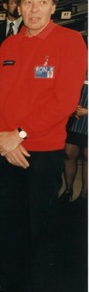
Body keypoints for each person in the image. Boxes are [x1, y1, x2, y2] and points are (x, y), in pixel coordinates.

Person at [0, 0, 87, 292]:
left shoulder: (70, 42)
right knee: (5, 222)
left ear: (54, 6)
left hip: (42, 152)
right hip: (7, 150)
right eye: (28, 2)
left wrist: (19, 135)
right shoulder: (8, 46)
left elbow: (64, 102)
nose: (34, 9)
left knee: (42, 229)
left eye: (42, 2)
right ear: (17, 6)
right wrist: (4, 139)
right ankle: (9, 279)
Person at [61, 70, 88, 203]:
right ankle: (68, 190)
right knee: (69, 153)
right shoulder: (82, 63)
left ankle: (84, 196)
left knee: (88, 157)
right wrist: (71, 107)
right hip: (75, 118)